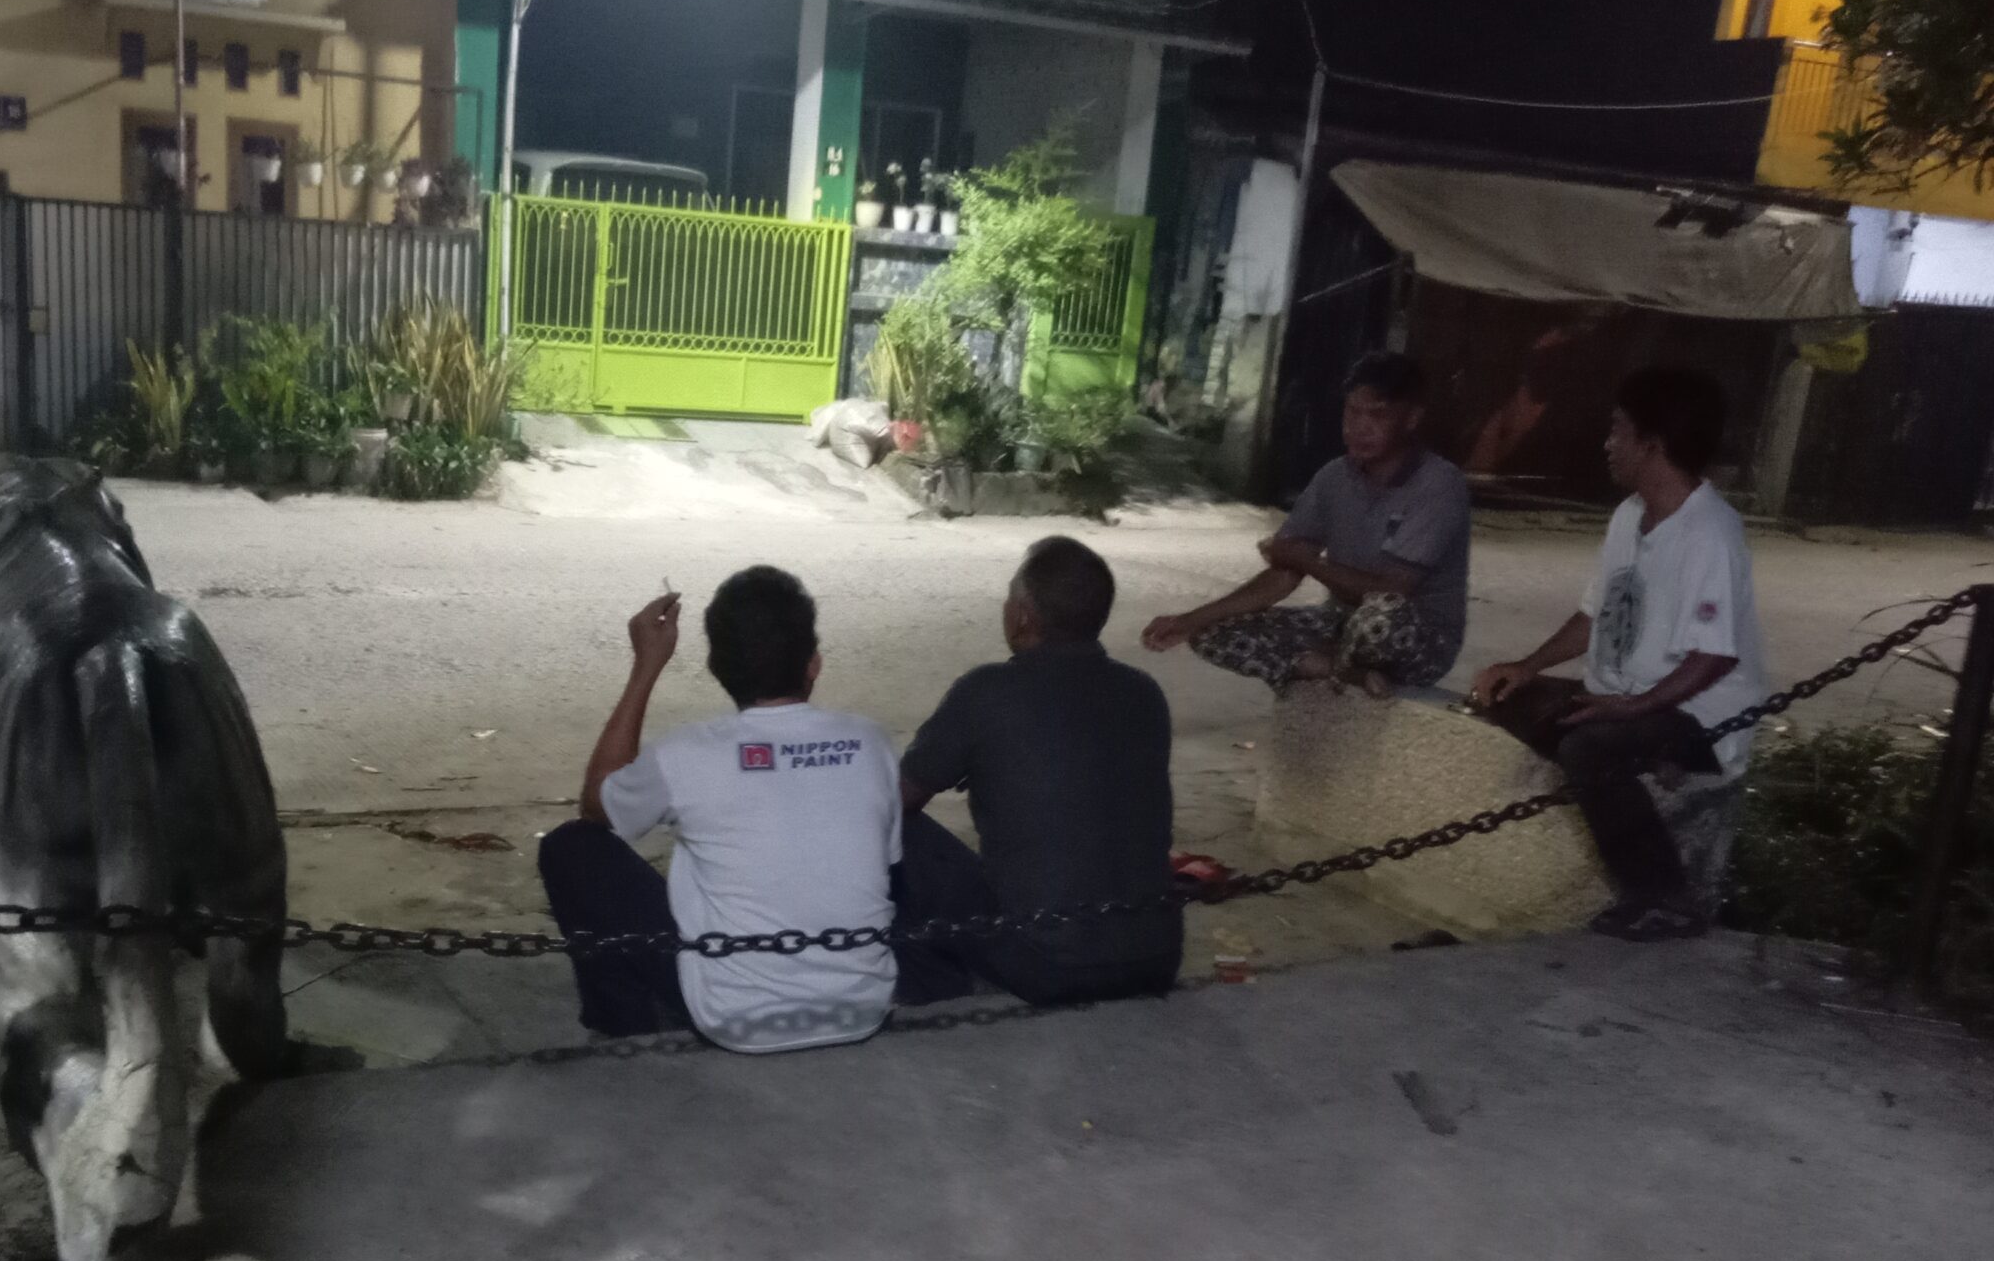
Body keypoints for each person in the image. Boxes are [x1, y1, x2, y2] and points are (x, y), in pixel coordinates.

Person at [537, 566, 903, 1054]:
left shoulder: (687, 752)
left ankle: (626, 1026)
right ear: (813, 663)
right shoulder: (870, 742)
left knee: (572, 847)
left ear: (715, 668)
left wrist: (646, 666)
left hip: (733, 1016)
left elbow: (597, 805)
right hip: (861, 1007)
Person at [1472, 367, 1765, 942]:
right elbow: (1594, 615)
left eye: (1618, 430)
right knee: (1501, 697)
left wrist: (1632, 710)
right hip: (1627, 698)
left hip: (1699, 716)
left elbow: (1714, 658)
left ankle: (1664, 897)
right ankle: (1649, 754)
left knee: (1587, 747)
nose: (1607, 443)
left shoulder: (1710, 533)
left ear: (1651, 444)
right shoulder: (1630, 515)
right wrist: (1527, 667)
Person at [897, 537, 1182, 1006]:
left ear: (1023, 618)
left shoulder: (988, 692)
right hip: (1156, 957)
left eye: (1010, 597)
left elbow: (899, 799)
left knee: (895, 832)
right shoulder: (1143, 693)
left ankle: (935, 983)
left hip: (1050, 963)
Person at [1142, 351, 1473, 697]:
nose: (1359, 427)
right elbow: (1284, 572)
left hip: (1417, 638)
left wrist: (1306, 560)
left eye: (1377, 415)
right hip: (1343, 622)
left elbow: (1391, 588)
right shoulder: (1334, 477)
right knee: (1213, 630)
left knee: (1380, 613)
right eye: (1352, 411)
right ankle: (1338, 668)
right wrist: (1190, 619)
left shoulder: (1438, 485)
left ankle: (1333, 663)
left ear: (1411, 418)